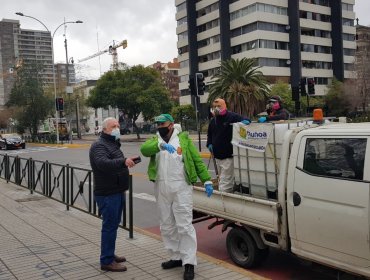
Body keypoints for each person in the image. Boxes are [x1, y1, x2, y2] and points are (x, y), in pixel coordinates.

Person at [140, 113, 213, 280]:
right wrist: (160, 146)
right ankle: (175, 257)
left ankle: (189, 262)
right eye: (157, 124)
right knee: (166, 224)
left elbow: (196, 160)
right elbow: (144, 150)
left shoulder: (184, 140)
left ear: (171, 124)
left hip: (181, 187)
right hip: (161, 186)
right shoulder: (155, 139)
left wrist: (207, 180)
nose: (160, 127)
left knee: (184, 225)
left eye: (162, 124)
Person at [89, 117, 138, 272]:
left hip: (117, 190)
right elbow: (102, 163)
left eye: (117, 125)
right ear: (104, 130)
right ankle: (106, 261)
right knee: (109, 226)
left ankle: (109, 253)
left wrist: (126, 162)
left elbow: (115, 162)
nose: (117, 128)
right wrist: (123, 162)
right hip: (107, 193)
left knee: (113, 225)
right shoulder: (99, 145)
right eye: (113, 126)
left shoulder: (113, 143)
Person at [206, 98, 250, 193]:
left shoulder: (232, 116)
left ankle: (224, 197)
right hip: (217, 156)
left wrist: (244, 122)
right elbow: (210, 134)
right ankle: (228, 194)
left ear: (225, 106)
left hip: (228, 156)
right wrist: (209, 143)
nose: (216, 108)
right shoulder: (213, 121)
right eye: (214, 107)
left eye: (219, 106)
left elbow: (246, 119)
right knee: (222, 178)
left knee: (225, 182)